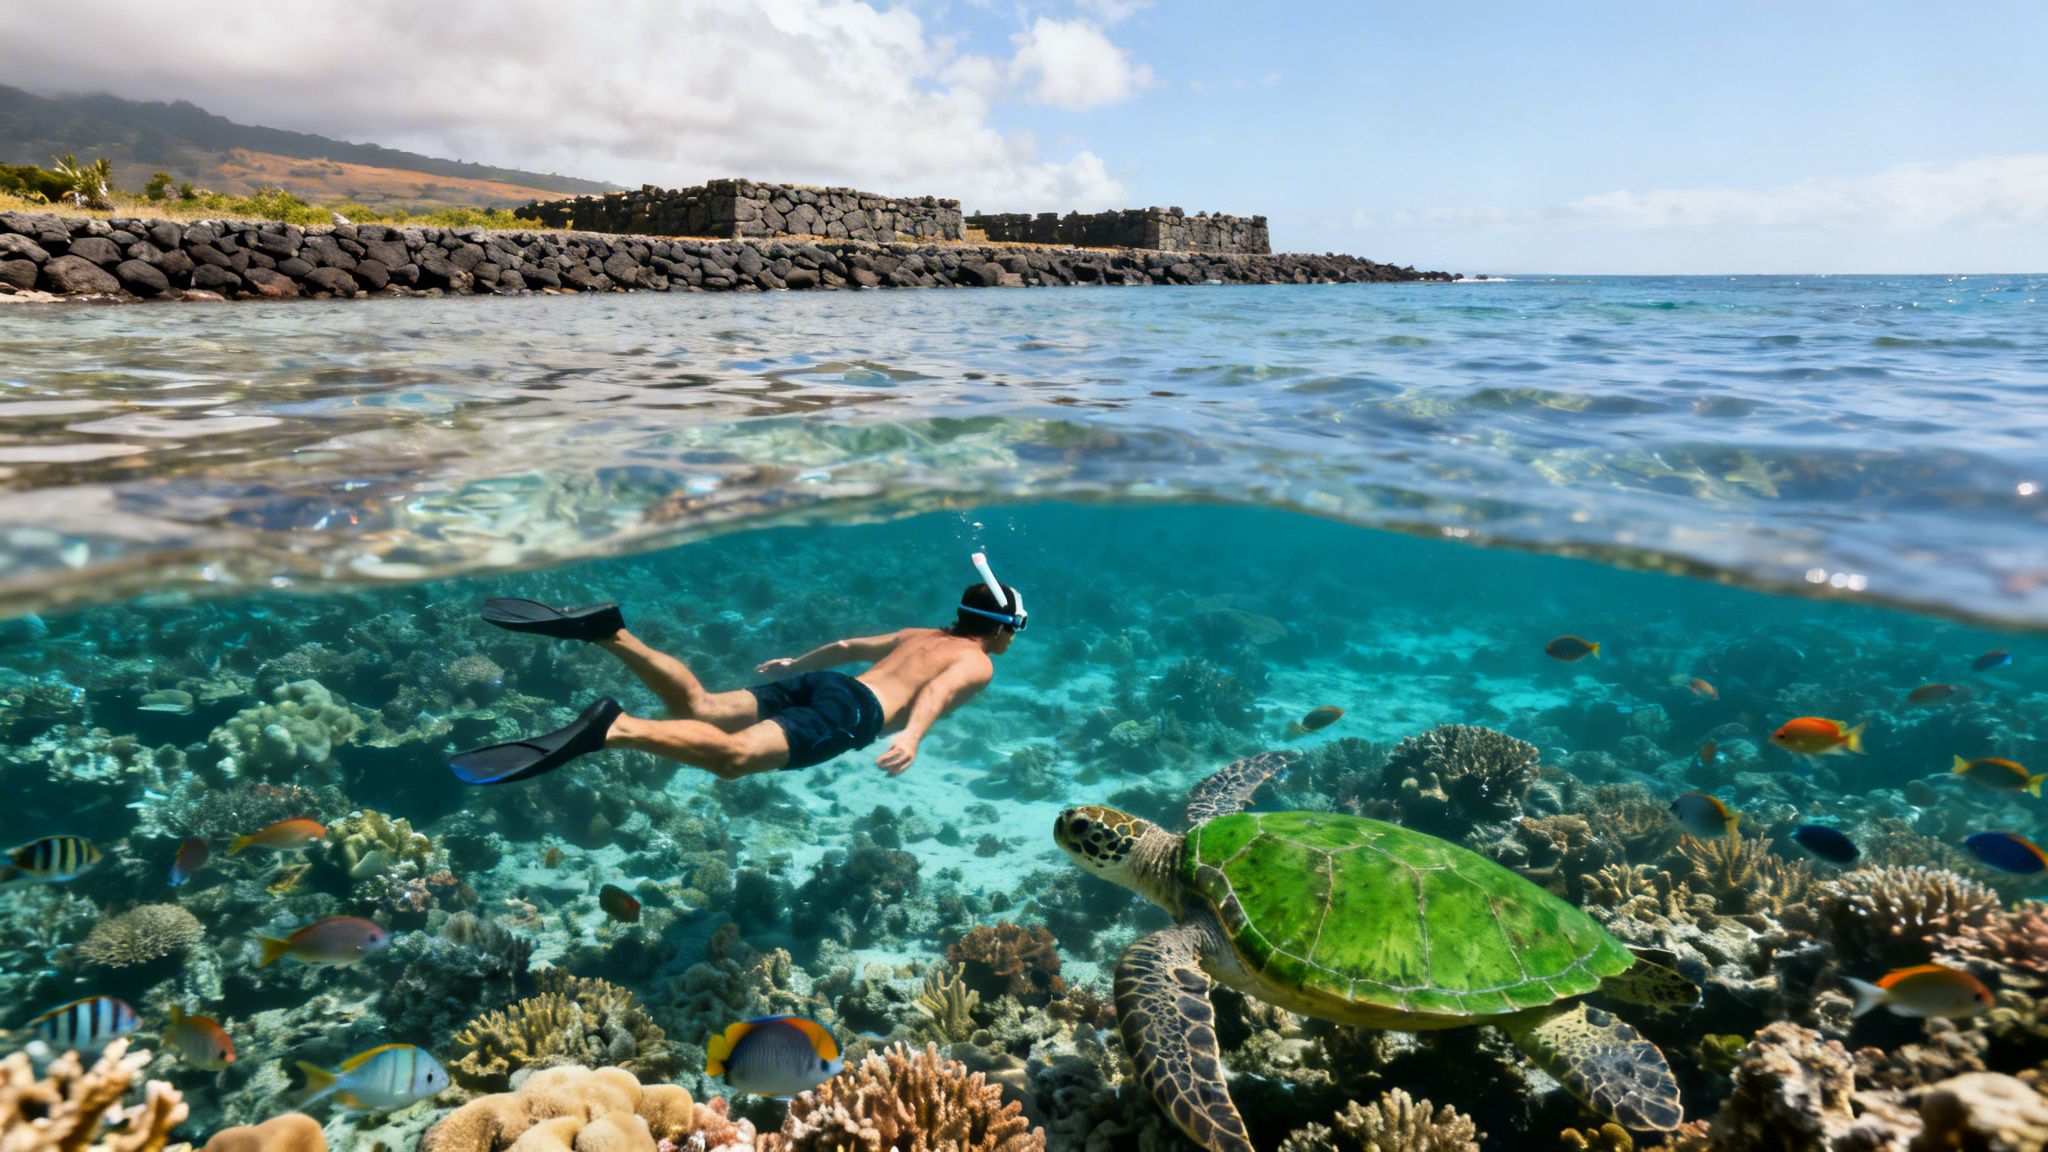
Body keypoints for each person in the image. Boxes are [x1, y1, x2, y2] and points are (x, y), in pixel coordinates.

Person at [447, 554, 1027, 784]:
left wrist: (795, 664)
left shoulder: (922, 634)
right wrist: (913, 737)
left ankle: (608, 632)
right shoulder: (975, 660)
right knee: (733, 760)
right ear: (1000, 627)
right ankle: (614, 729)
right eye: (1015, 630)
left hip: (828, 685)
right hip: (854, 710)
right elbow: (940, 692)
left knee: (701, 707)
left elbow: (850, 643)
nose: (1011, 640)